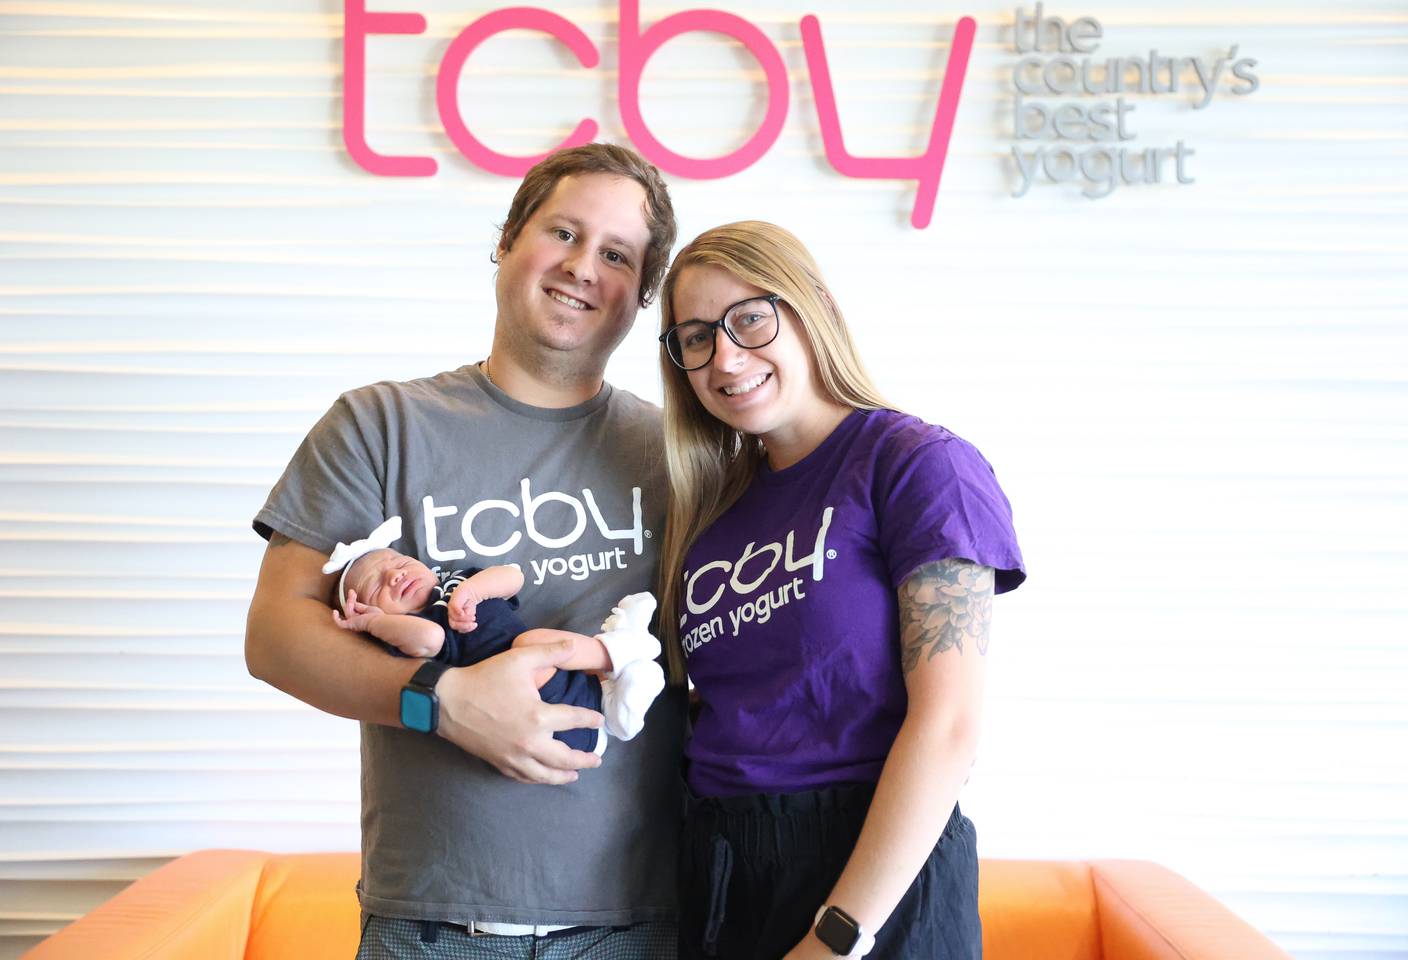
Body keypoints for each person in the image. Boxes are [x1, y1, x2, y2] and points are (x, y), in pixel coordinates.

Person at [245, 143, 683, 957]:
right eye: (563, 232)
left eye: (617, 254)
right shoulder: (380, 423)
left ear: (640, 293)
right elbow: (273, 636)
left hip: (641, 925)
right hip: (435, 927)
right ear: (509, 240)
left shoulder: (679, 456)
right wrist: (441, 703)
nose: (584, 266)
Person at [655, 221, 1026, 959]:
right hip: (724, 875)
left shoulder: (917, 465)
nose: (725, 357)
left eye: (750, 319)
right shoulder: (712, 511)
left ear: (813, 306)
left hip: (871, 879)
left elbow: (949, 725)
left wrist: (838, 936)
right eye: (694, 338)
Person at [322, 516, 667, 754]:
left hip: (573, 680)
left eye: (397, 563)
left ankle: (619, 666)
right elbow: (431, 639)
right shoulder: (410, 630)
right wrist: (373, 624)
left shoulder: (457, 581)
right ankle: (626, 655)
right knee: (527, 647)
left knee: (532, 642)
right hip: (534, 709)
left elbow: (513, 577)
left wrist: (473, 589)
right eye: (377, 585)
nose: (395, 576)